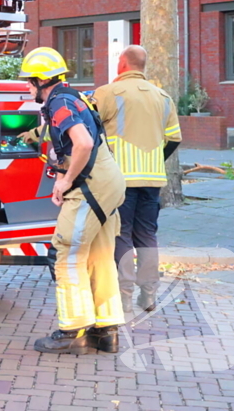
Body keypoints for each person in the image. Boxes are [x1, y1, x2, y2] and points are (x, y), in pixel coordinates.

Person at [18, 46, 126, 355]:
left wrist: (65, 181)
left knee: (66, 253)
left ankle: (73, 331)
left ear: (41, 80)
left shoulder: (59, 103)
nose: (28, 87)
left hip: (90, 187)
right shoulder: (73, 97)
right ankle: (106, 331)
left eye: (29, 81)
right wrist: (33, 138)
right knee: (99, 255)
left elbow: (83, 143)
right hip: (107, 182)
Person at [93, 45, 182, 315]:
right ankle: (149, 295)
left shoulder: (107, 93)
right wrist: (154, 161)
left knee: (121, 234)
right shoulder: (163, 97)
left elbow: (85, 129)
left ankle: (124, 297)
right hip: (152, 179)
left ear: (122, 64)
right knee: (147, 235)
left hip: (120, 179)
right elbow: (174, 138)